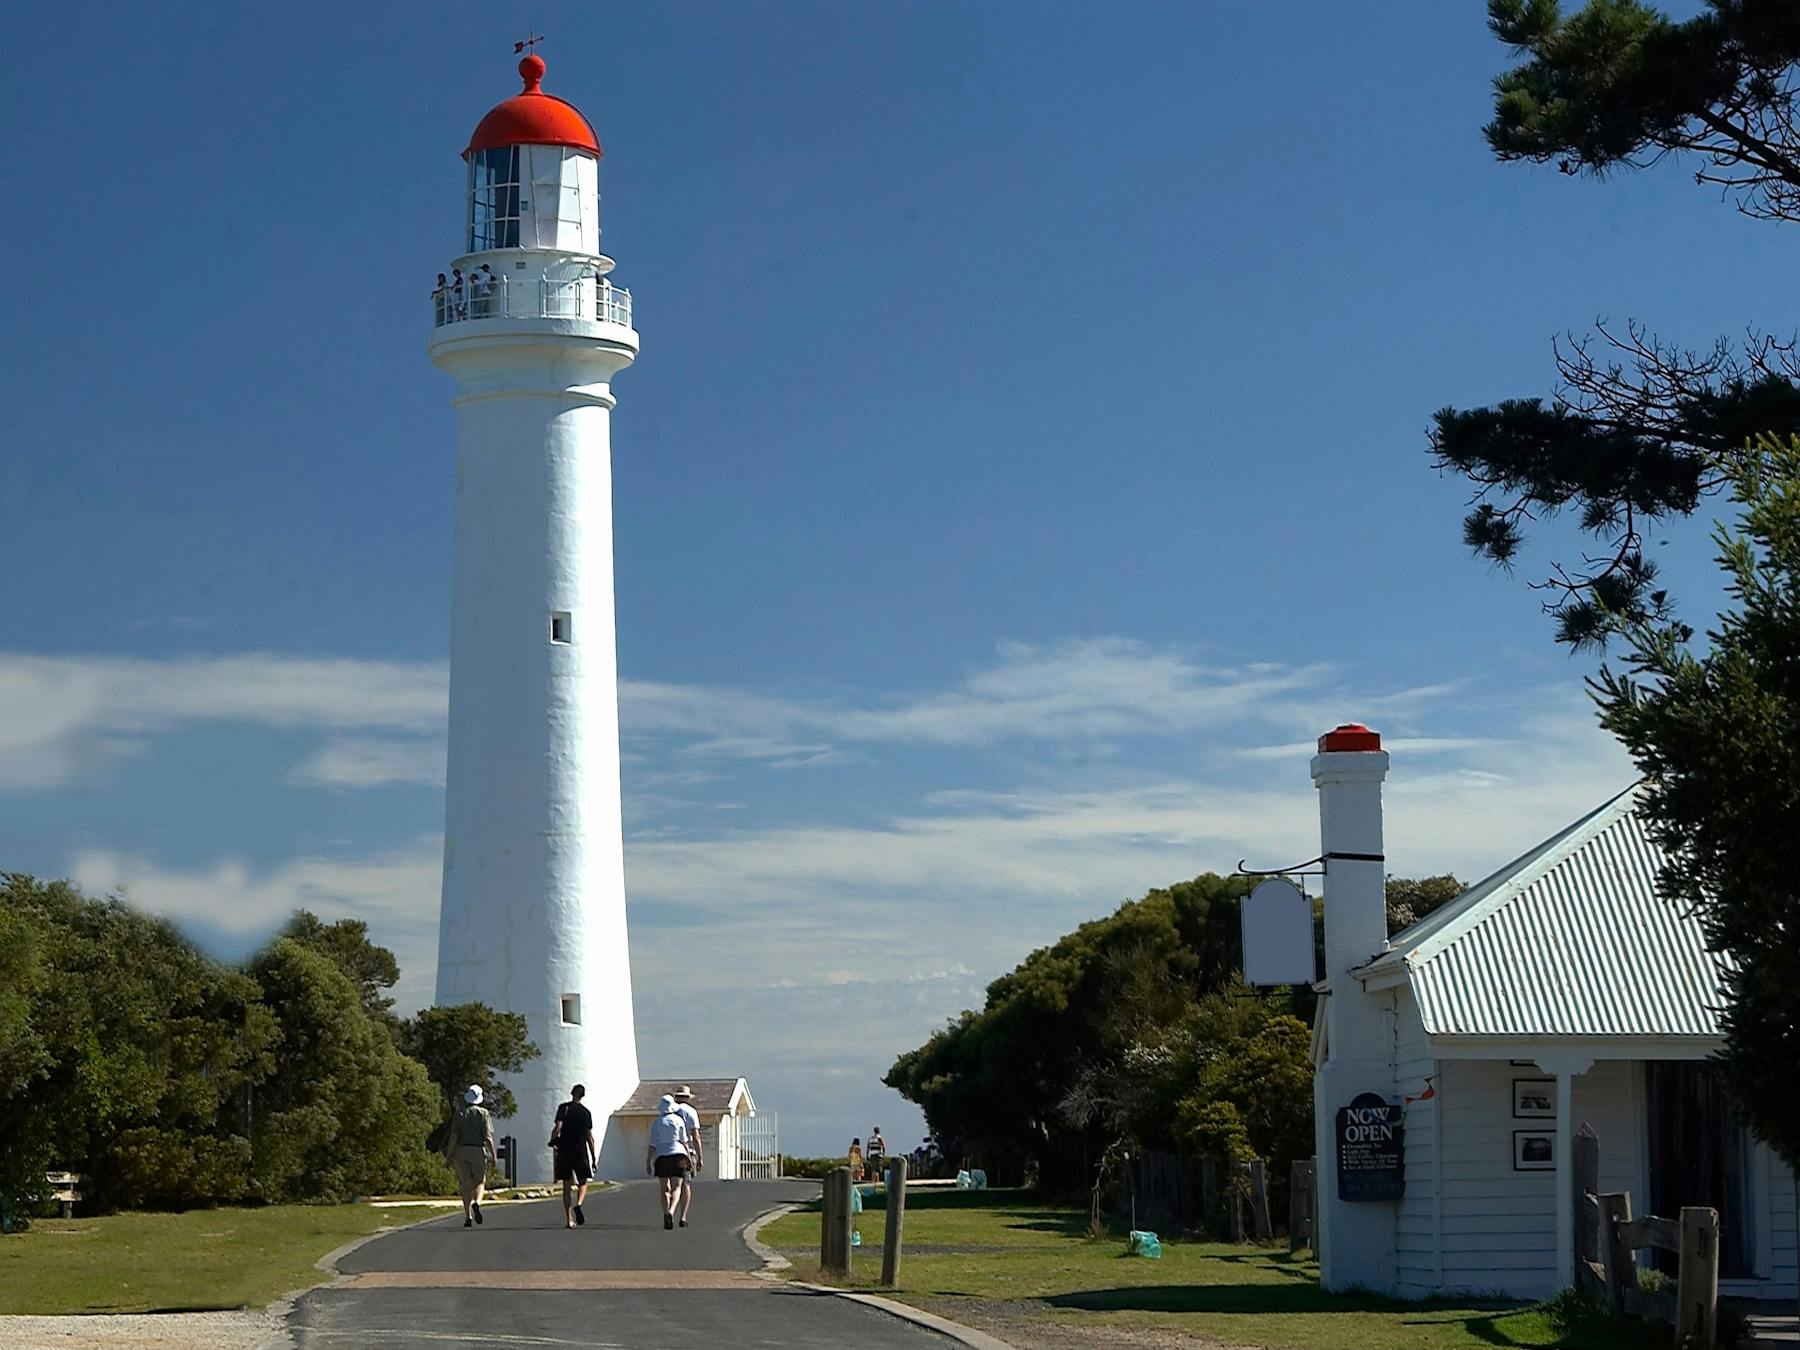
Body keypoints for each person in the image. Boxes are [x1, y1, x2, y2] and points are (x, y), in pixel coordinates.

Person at [444, 1084, 496, 1228]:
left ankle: (468, 1216)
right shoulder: (483, 1113)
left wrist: (449, 1156)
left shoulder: (460, 1113)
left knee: (465, 1184)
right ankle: (477, 1203)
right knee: (479, 1182)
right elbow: (488, 1137)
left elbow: (454, 1136)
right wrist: (493, 1154)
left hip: (461, 1151)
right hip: (477, 1150)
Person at [549, 1083, 596, 1229]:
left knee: (566, 1185)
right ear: (582, 1095)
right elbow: (590, 1137)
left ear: (572, 1093)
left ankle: (569, 1219)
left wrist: (553, 1141)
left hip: (564, 1150)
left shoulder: (564, 1108)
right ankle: (579, 1204)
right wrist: (594, 1158)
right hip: (580, 1150)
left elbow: (557, 1128)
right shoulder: (585, 1112)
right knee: (583, 1181)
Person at [645, 1094, 692, 1230]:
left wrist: (648, 1161)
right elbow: (684, 1142)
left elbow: (653, 1144)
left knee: (664, 1188)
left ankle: (665, 1212)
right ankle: (671, 1211)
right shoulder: (678, 1120)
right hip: (678, 1155)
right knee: (677, 1187)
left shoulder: (657, 1123)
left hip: (662, 1157)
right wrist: (688, 1158)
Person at [671, 1085, 704, 1228]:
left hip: (670, 1151)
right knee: (686, 1184)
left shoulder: (669, 1112)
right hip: (687, 1152)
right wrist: (700, 1157)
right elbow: (695, 1136)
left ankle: (669, 1210)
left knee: (671, 1185)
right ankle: (683, 1216)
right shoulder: (691, 1112)